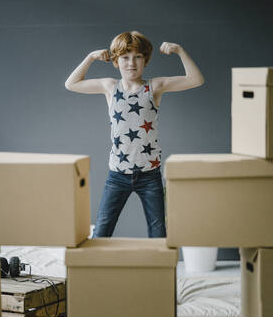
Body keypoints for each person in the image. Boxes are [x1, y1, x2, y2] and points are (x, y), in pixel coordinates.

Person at [65, 31, 204, 238]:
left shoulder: (154, 87)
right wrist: (92, 57)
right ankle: (95, 269)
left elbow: (196, 79)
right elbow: (71, 83)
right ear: (116, 61)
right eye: (125, 57)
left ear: (145, 60)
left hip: (150, 175)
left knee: (158, 232)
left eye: (138, 57)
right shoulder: (110, 87)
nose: (131, 63)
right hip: (117, 175)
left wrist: (179, 51)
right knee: (102, 229)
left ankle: (159, 270)